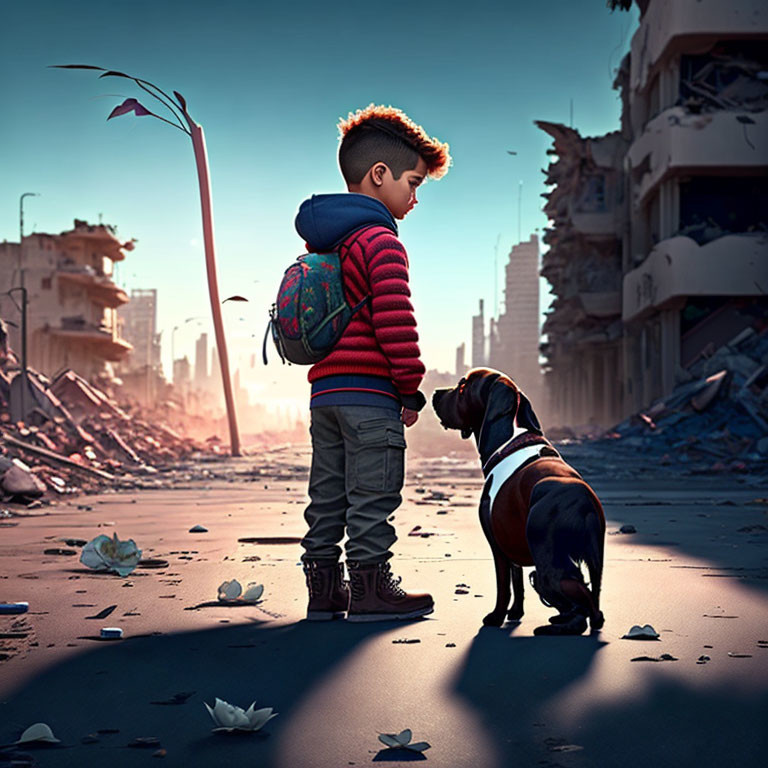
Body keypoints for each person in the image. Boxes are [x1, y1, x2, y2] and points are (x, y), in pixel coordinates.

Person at [295, 104, 451, 621]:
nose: (414, 196)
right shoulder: (380, 241)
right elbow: (395, 321)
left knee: (327, 493)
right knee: (373, 493)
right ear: (378, 175)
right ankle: (369, 590)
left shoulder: (325, 243)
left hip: (325, 395)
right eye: (412, 182)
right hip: (369, 396)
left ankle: (324, 592)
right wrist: (409, 387)